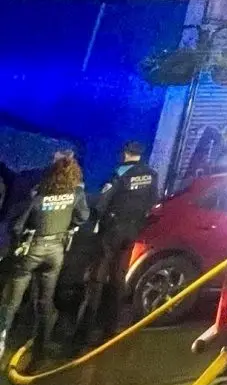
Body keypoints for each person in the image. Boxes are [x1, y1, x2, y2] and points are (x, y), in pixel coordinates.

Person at [0, 156, 88, 364]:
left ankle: (1, 341)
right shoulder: (76, 194)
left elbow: (17, 226)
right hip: (56, 252)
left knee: (11, 301)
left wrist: (16, 245)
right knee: (45, 302)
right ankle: (40, 351)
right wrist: (68, 226)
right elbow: (82, 217)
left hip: (33, 249)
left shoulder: (39, 196)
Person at [76, 142, 158, 346]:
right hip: (132, 231)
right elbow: (153, 201)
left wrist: (92, 215)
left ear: (126, 154)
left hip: (112, 230)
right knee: (118, 277)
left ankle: (83, 333)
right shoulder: (151, 174)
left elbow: (102, 202)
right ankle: (110, 328)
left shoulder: (120, 173)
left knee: (97, 278)